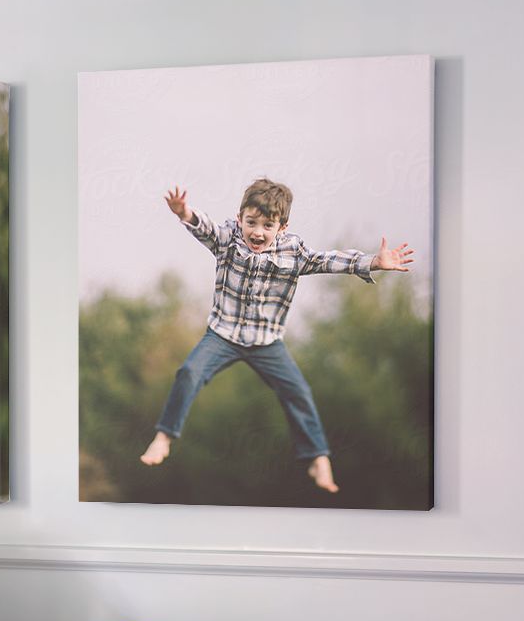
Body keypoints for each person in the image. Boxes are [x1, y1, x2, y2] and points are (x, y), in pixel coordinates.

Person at [140, 178, 413, 493]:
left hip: (267, 341)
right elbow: (207, 228)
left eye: (267, 225)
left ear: (282, 227)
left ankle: (318, 456)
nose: (257, 232)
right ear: (240, 217)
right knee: (188, 372)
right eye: (251, 223)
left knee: (298, 392)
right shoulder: (229, 238)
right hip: (223, 334)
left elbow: (325, 260)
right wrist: (184, 213)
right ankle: (164, 437)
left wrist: (373, 262)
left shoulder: (292, 251)